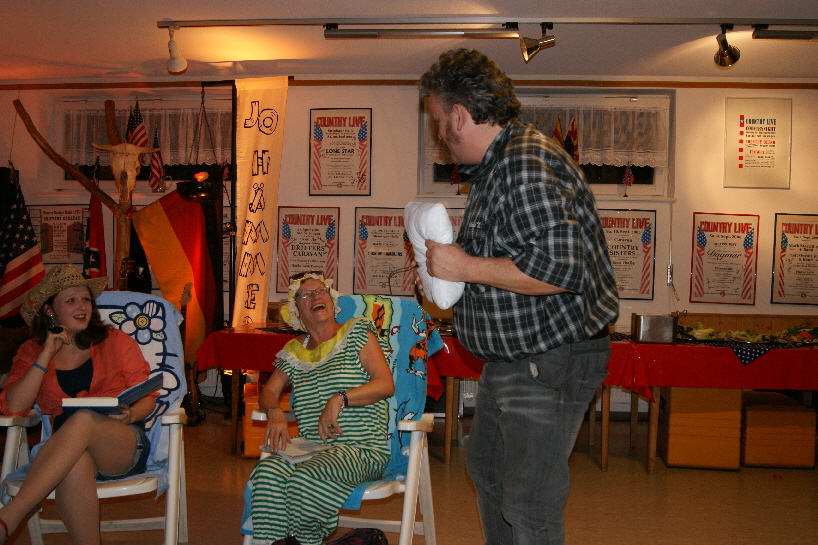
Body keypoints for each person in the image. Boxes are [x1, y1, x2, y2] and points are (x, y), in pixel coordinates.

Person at [418, 49, 620, 545]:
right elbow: (514, 259)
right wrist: (451, 270)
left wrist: (463, 267)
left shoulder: (523, 163)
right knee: (488, 471)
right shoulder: (500, 165)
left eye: (438, 120)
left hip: (548, 357)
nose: (439, 133)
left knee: (529, 500)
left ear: (459, 116)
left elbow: (563, 268)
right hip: (518, 358)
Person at [0, 264, 158, 545]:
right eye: (71, 300)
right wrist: (45, 355)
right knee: (74, 463)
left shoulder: (114, 341)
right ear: (49, 310)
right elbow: (14, 406)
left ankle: (10, 516)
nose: (82, 306)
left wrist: (132, 413)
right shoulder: (32, 350)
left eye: (85, 299)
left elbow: (148, 395)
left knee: (84, 417)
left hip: (119, 443)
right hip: (67, 450)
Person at [248, 272, 394, 545]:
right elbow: (268, 392)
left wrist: (340, 398)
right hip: (308, 448)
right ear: (296, 311)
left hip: (360, 448)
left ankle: (304, 541)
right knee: (267, 474)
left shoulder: (356, 332)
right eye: (306, 294)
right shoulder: (295, 350)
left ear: (331, 300)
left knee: (305, 479)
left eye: (321, 291)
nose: (316, 296)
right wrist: (275, 411)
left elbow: (385, 384)